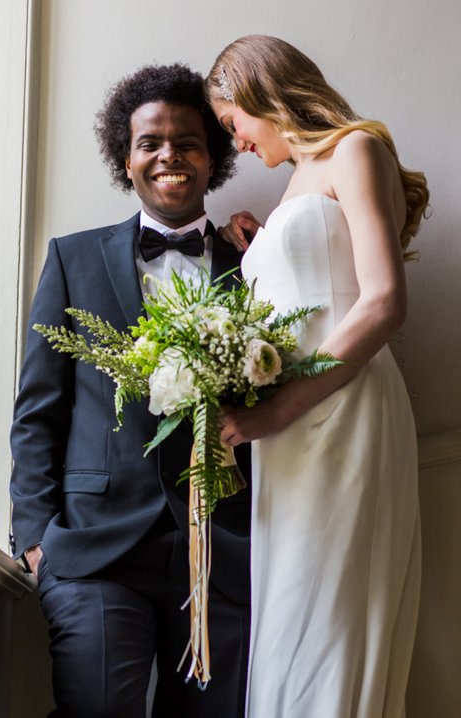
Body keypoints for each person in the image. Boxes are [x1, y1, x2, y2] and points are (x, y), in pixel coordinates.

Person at [9, 64, 252, 717]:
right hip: (93, 549)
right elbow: (38, 411)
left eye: (188, 141)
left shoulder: (256, 264)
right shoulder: (71, 258)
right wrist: (34, 534)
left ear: (215, 156)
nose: (169, 154)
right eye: (150, 142)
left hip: (221, 553)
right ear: (126, 156)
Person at [205, 35, 426, 718]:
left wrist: (277, 410)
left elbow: (384, 302)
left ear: (258, 92)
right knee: (290, 622)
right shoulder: (294, 185)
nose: (236, 143)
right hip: (291, 440)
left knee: (331, 621)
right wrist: (260, 245)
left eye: (231, 123)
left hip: (341, 414)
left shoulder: (355, 149)